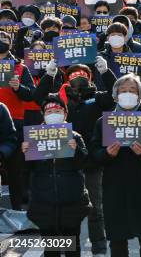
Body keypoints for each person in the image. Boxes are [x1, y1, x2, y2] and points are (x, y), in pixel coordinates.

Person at [36, 61, 116, 256]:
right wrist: (49, 75)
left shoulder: (97, 98)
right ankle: (65, 248)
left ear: (89, 77)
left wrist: (105, 72)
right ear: (67, 79)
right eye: (72, 74)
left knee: (95, 207)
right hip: (65, 163)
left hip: (91, 161)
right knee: (64, 211)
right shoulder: (59, 99)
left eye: (82, 74)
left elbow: (114, 97)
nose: (77, 77)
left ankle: (98, 245)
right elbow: (38, 98)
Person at [90, 74, 141, 257]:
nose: (127, 94)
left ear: (140, 95)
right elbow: (94, 153)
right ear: (115, 95)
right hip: (114, 188)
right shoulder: (104, 122)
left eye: (132, 91)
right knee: (117, 242)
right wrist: (107, 153)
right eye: (123, 91)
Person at [24, 96, 91, 257]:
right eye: (49, 111)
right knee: (51, 248)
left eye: (57, 111)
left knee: (71, 247)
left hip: (71, 202)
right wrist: (24, 154)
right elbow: (26, 170)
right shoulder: (33, 137)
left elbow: (84, 164)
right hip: (44, 203)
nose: (53, 113)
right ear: (43, 114)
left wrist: (76, 152)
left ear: (65, 114)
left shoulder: (74, 136)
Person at [0, 30, 35, 210]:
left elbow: (32, 94)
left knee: (16, 170)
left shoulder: (21, 67)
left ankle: (16, 209)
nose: (1, 41)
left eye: (5, 38)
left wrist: (18, 87)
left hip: (15, 123)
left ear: (11, 43)